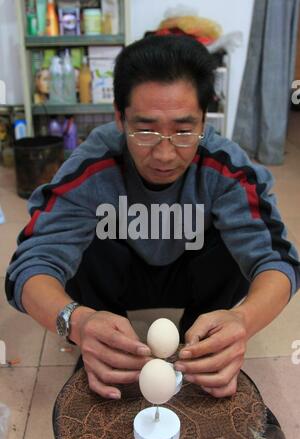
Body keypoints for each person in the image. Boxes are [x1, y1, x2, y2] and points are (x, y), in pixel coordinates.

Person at [5, 35, 300, 401]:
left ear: (205, 119)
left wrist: (243, 322)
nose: (164, 153)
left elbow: (277, 261)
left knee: (235, 242)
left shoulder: (224, 165)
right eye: (144, 130)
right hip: (118, 279)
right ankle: (106, 341)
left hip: (193, 277)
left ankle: (201, 338)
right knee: (83, 240)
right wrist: (76, 321)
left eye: (183, 130)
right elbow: (30, 266)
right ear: (119, 116)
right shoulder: (93, 163)